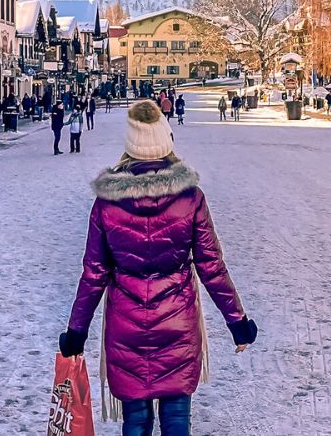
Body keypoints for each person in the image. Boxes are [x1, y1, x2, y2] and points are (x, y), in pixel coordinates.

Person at [59, 100, 256, 435]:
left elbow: (94, 273)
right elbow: (211, 266)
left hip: (126, 327)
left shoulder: (108, 203)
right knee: (177, 420)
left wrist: (76, 334)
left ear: (130, 147)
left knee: (135, 421)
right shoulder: (190, 197)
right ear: (166, 142)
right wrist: (237, 322)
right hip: (178, 323)